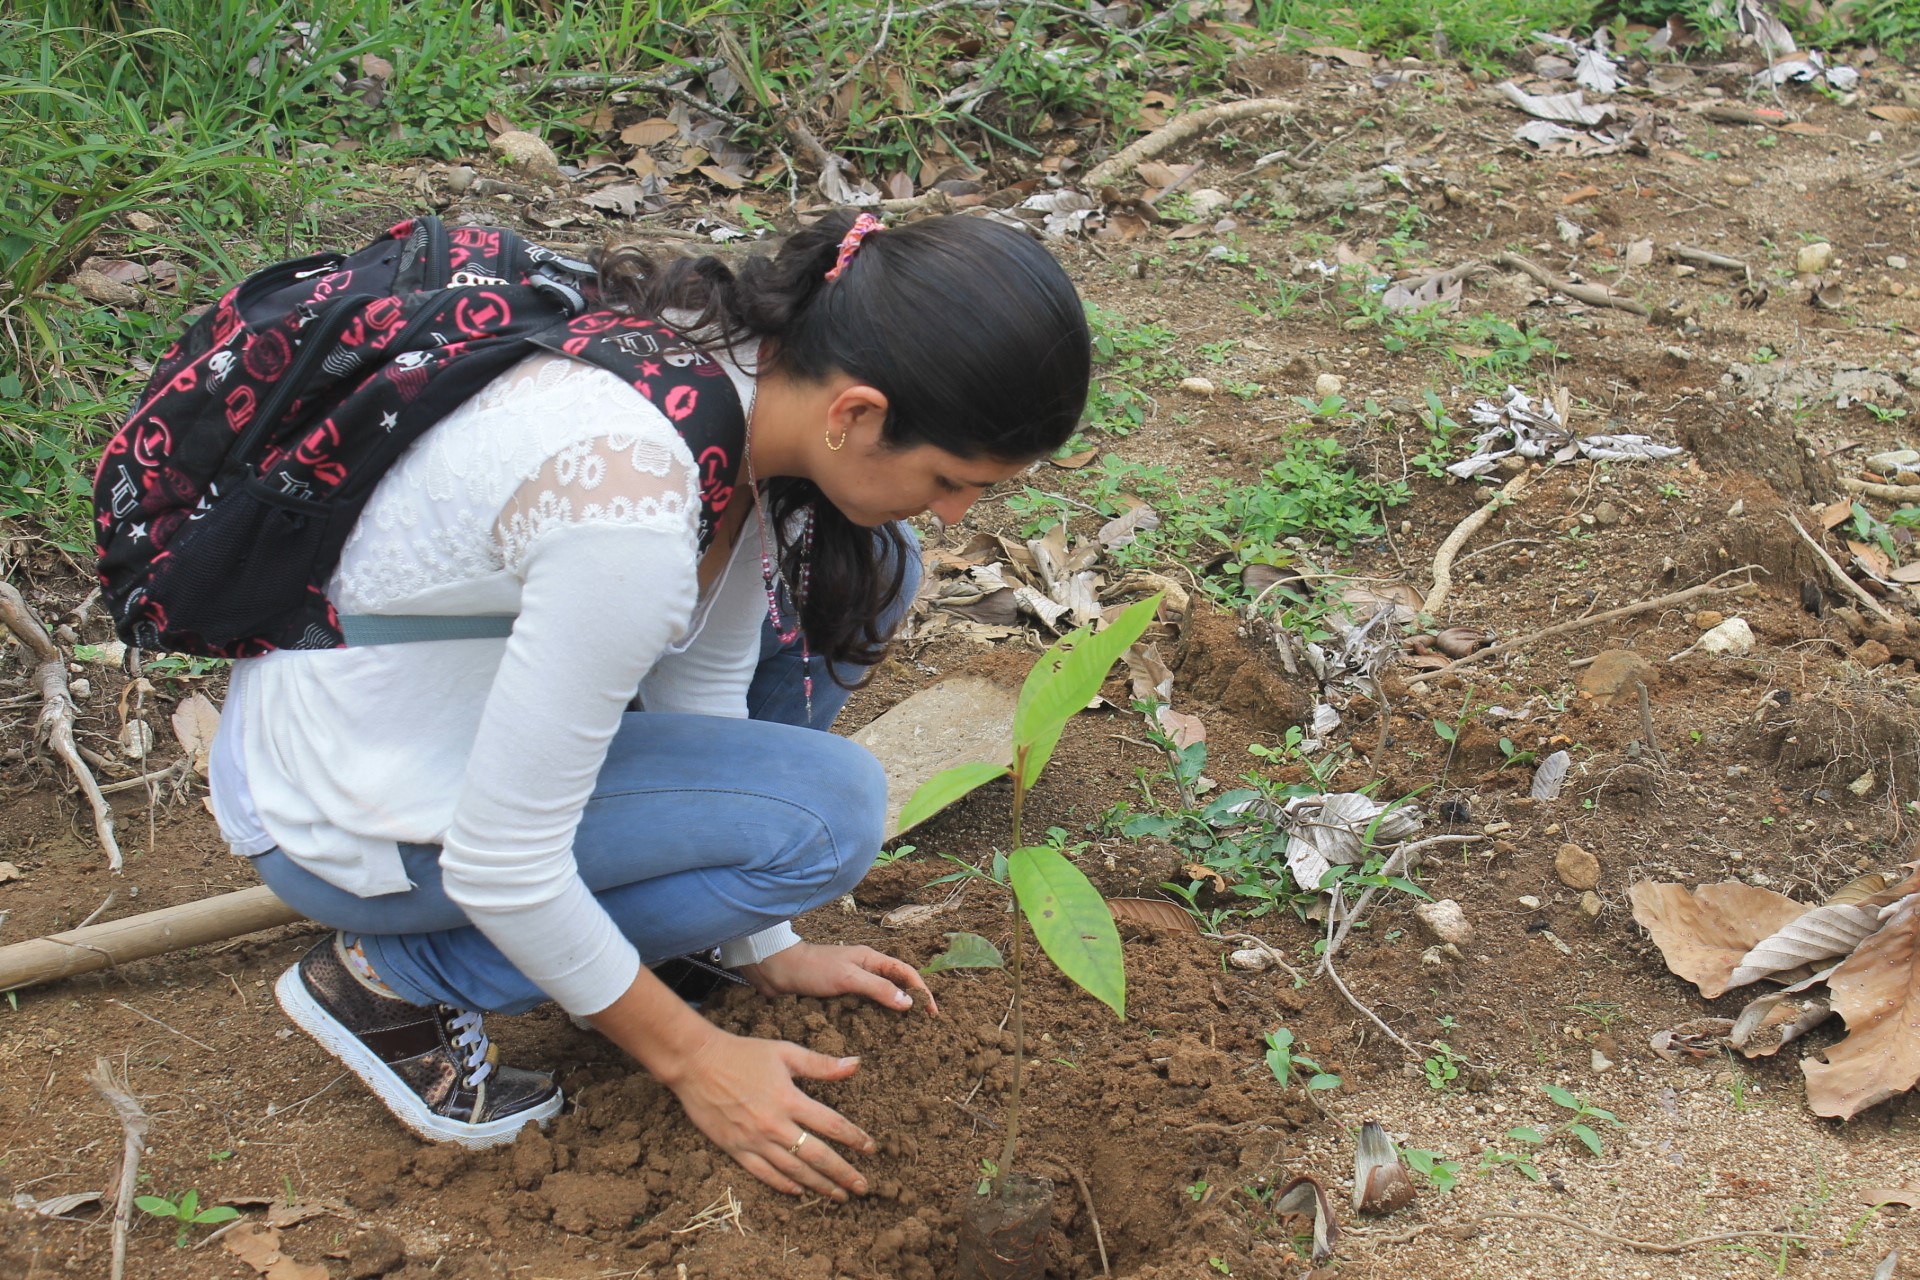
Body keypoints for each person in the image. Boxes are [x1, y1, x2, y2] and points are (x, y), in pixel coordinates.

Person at [205, 209, 1092, 1203]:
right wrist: (695, 1058)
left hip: (430, 718)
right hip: (346, 811)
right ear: (856, 413)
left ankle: (668, 931)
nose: (958, 509)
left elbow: (703, 682)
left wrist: (763, 939)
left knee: (875, 566)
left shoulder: (734, 366)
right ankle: (396, 981)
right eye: (949, 477)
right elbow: (507, 863)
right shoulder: (626, 513)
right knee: (825, 815)